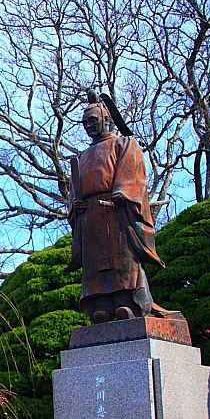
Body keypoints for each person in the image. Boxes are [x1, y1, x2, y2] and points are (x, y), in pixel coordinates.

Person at [67, 95, 179, 324]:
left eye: (92, 120)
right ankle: (100, 306)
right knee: (95, 265)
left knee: (122, 260)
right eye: (85, 122)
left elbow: (132, 173)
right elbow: (74, 189)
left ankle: (126, 303)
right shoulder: (82, 157)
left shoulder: (124, 144)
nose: (89, 126)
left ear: (106, 119)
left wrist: (122, 192)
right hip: (90, 217)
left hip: (117, 211)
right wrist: (75, 205)